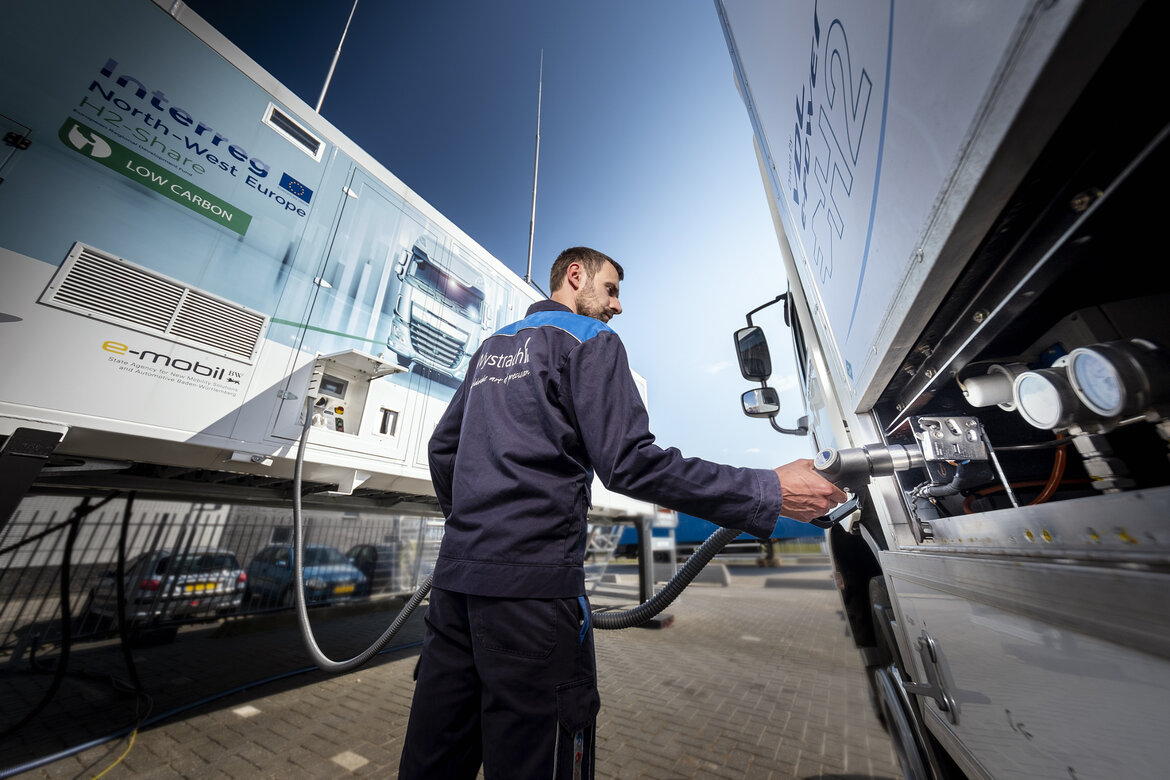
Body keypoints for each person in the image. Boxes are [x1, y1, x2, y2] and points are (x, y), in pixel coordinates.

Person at [398, 246, 846, 779]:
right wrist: (767, 488)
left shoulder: (487, 350)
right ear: (574, 275)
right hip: (533, 599)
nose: (617, 306)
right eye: (610, 289)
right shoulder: (591, 341)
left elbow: (441, 450)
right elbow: (629, 463)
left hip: (454, 592)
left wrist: (475, 533)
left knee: (432, 762)